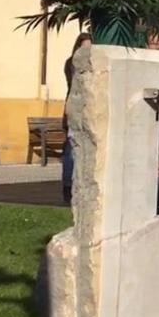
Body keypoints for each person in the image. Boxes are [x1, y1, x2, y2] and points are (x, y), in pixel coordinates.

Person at [62, 32, 93, 203]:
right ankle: (68, 187)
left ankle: (81, 186)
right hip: (74, 112)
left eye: (89, 47)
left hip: (87, 112)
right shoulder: (71, 64)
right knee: (70, 153)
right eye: (84, 47)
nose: (87, 51)